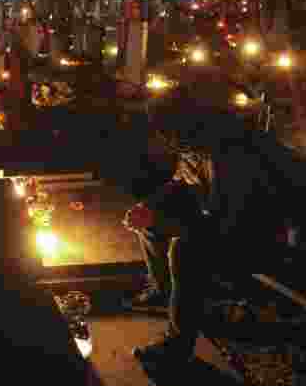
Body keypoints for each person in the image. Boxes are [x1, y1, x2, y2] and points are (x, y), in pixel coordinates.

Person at [123, 92, 293, 367]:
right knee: (151, 223)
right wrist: (149, 206)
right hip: (224, 221)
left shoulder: (232, 151)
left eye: (167, 133)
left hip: (261, 237)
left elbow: (226, 220)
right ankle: (165, 292)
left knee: (185, 250)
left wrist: (169, 224)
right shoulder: (195, 145)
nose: (165, 141)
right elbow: (182, 180)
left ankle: (178, 344)